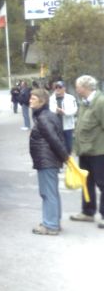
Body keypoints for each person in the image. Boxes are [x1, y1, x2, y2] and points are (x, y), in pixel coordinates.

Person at [29, 88, 69, 235]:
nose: (30, 100)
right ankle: (53, 221)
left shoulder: (44, 118)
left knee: (47, 193)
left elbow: (54, 139)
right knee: (52, 192)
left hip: (46, 161)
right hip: (48, 160)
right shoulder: (48, 115)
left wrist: (66, 157)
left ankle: (51, 225)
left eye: (33, 98)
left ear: (42, 101)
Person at [71, 75, 104, 227]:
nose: (76, 89)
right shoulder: (84, 103)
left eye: (78, 86)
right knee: (86, 182)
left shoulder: (100, 102)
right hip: (85, 151)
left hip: (99, 151)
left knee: (102, 183)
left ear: (85, 87)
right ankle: (88, 212)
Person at [49, 81, 78, 153]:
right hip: (56, 126)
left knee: (68, 146)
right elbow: (50, 108)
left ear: (64, 88)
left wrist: (64, 112)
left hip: (67, 126)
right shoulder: (51, 98)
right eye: (56, 87)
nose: (58, 89)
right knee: (58, 146)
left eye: (60, 87)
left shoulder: (71, 98)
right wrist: (56, 110)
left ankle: (68, 159)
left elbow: (74, 110)